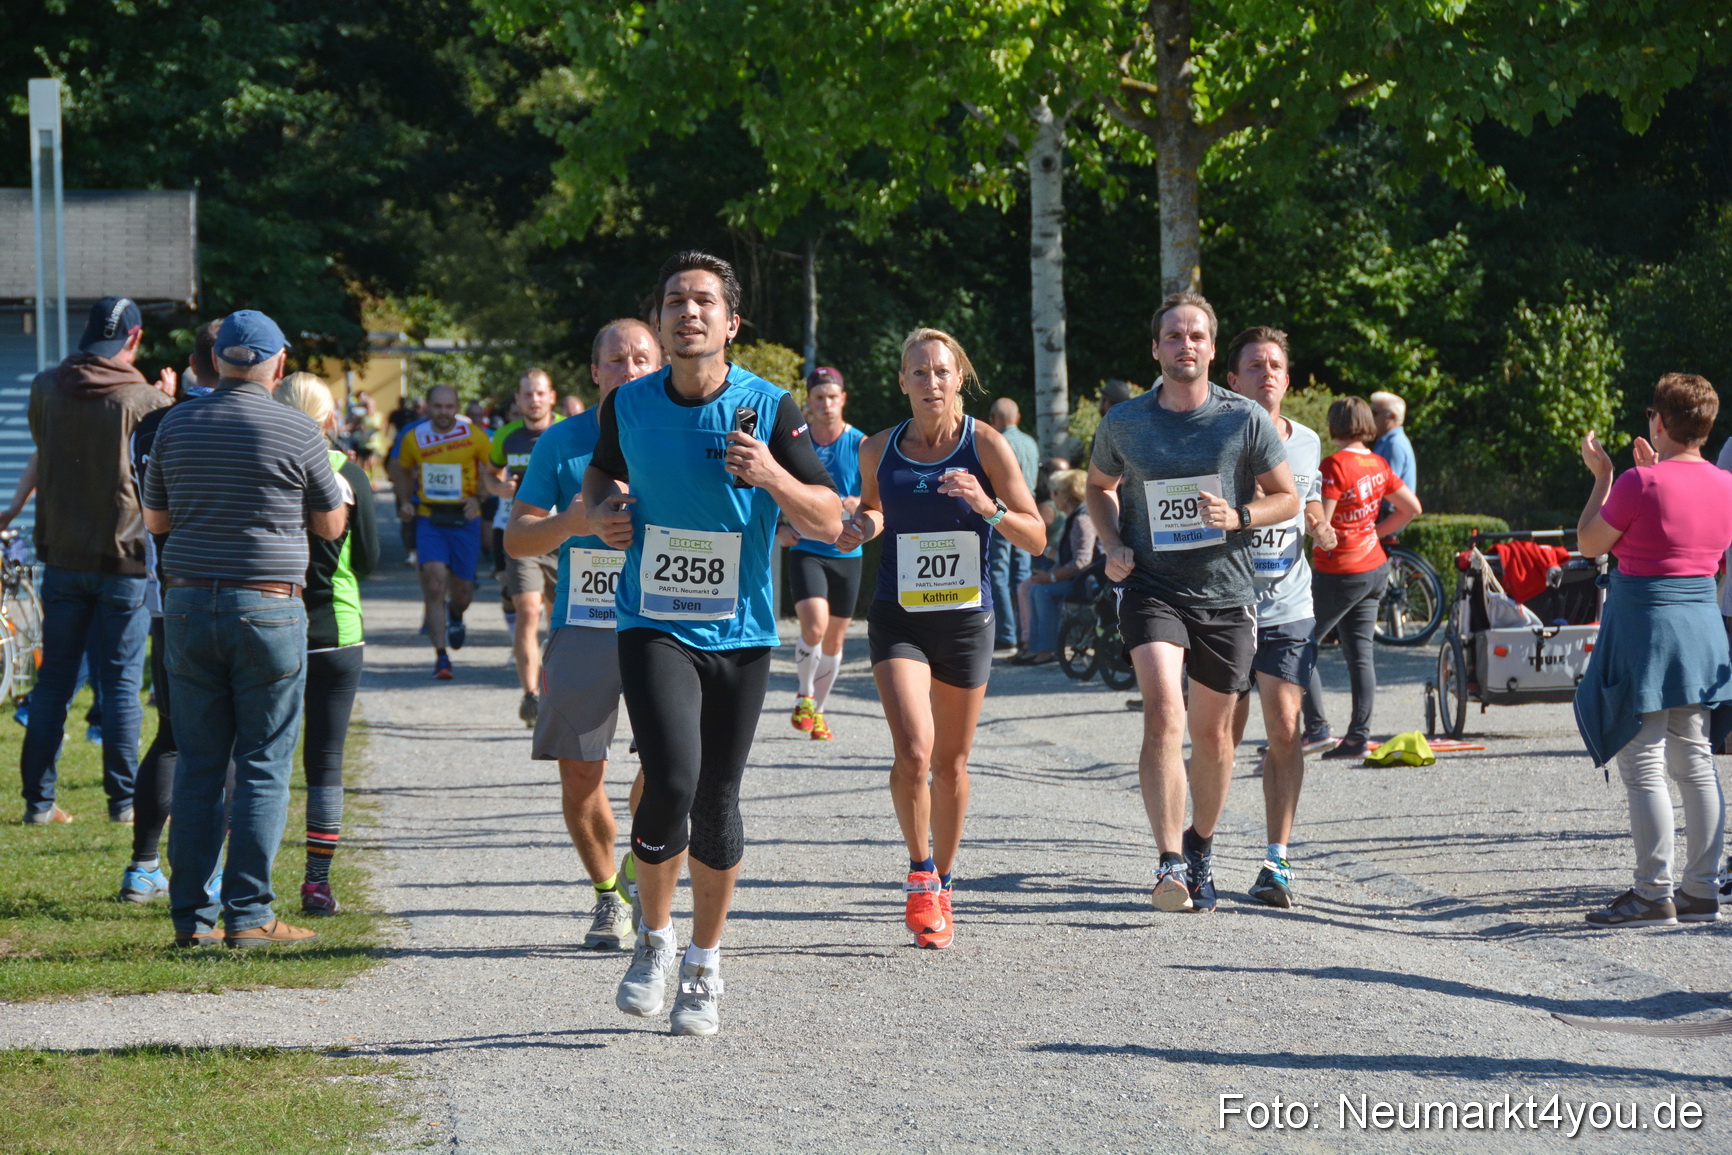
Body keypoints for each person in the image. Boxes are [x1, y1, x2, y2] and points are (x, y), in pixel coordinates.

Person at [584, 250, 840, 1036]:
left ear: (732, 324)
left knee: (719, 799)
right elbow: (600, 479)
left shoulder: (771, 409)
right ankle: (654, 942)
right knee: (671, 777)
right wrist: (601, 514)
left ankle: (704, 960)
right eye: (674, 302)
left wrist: (772, 475)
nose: (687, 312)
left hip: (742, 631)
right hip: (652, 619)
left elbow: (829, 520)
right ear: (659, 323)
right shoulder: (626, 404)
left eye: (703, 302)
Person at [1085, 290, 1297, 913]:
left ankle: (1199, 844)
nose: (1185, 346)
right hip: (1152, 586)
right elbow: (1100, 487)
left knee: (1213, 737)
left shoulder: (1243, 419)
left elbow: (1285, 496)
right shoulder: (1125, 422)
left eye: (1196, 337)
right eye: (1173, 337)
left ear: (1210, 348)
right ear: (1156, 349)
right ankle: (1168, 861)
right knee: (1163, 714)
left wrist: (1240, 515)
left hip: (1226, 592)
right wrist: (1112, 538)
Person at [142, 309, 346, 949]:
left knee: (201, 762)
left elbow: (154, 520)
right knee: (262, 764)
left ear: (219, 360)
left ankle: (191, 918)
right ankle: (251, 913)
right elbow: (332, 526)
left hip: (187, 606)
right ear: (278, 364)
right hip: (268, 608)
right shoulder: (297, 429)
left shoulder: (175, 425)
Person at [836, 329, 1045, 948]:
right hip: (898, 616)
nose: (931, 383)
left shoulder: (987, 445)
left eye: (941, 373)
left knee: (952, 763)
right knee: (914, 750)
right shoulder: (877, 448)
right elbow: (874, 509)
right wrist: (860, 527)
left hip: (965, 620)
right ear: (901, 381)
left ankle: (947, 879)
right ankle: (921, 875)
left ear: (960, 379)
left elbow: (1035, 536)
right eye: (919, 374)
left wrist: (987, 505)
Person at [508, 319, 660, 950]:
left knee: (671, 766)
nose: (629, 371)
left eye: (641, 360)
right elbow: (518, 536)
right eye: (616, 361)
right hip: (587, 621)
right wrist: (572, 521)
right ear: (595, 372)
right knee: (579, 772)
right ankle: (607, 895)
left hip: (663, 619)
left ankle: (637, 870)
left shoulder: (680, 433)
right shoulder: (563, 444)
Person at [1574, 374, 1732, 927]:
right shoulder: (1726, 484)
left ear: (1659, 423)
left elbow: (1590, 542)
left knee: (1643, 759)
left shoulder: (1639, 483)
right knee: (1695, 759)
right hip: (1702, 624)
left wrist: (1606, 477)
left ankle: (1651, 892)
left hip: (1646, 625)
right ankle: (1701, 890)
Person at [20, 296, 173, 826]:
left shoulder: (44, 387)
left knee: (54, 682)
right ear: (132, 340)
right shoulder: (144, 399)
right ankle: (124, 803)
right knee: (122, 683)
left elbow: (43, 449)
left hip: (61, 554)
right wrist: (167, 401)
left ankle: (38, 804)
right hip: (124, 557)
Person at [1222, 327, 1332, 908]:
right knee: (1222, 734)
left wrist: (1318, 521)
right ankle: (1200, 851)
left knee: (1286, 728)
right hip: (1225, 603)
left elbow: (1306, 494)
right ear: (1233, 379)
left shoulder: (1308, 441)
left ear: (1288, 380)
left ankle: (1276, 860)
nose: (1268, 373)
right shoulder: (1216, 436)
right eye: (1256, 365)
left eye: (1277, 366)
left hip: (1288, 604)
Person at [119, 319, 222, 901]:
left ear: (191, 360)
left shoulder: (153, 425)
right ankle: (206, 876)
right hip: (237, 591)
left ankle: (142, 865)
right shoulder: (245, 418)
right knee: (228, 739)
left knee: (174, 736)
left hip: (166, 596)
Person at [277, 373, 378, 916]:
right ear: (331, 420)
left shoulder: (261, 465)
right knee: (325, 763)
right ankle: (316, 883)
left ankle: (245, 880)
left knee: (262, 756)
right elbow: (370, 559)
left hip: (272, 622)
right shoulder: (348, 473)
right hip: (336, 629)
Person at [1301, 397, 1423, 761]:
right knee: (1360, 654)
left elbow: (1321, 523)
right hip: (1374, 566)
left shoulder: (1335, 465)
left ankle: (1317, 728)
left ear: (1333, 424)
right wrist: (1375, 531)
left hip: (1340, 570)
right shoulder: (1378, 462)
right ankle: (1357, 738)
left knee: (1299, 644)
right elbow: (1411, 508)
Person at [780, 366, 866, 741]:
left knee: (834, 639)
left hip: (847, 551)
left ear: (843, 400)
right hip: (807, 548)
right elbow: (769, 490)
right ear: (809, 403)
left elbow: (878, 497)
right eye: (819, 398)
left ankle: (819, 711)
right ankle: (803, 694)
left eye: (832, 397)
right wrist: (778, 529)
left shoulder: (862, 444)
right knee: (813, 624)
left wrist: (859, 503)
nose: (826, 404)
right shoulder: (796, 442)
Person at [396, 384, 494, 679]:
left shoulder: (473, 436)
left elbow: (493, 471)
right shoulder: (415, 438)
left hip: (464, 520)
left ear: (457, 407)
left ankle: (456, 614)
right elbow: (399, 468)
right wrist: (404, 501)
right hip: (430, 517)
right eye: (438, 406)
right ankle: (441, 657)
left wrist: (479, 498)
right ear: (427, 407)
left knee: (462, 593)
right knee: (435, 583)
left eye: (449, 406)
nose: (444, 412)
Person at [489, 369, 562, 724]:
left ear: (551, 397)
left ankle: (556, 689)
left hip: (563, 535)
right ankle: (531, 695)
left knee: (558, 617)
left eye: (539, 393)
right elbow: (489, 473)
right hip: (521, 534)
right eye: (527, 394)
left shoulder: (567, 429)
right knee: (528, 611)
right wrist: (498, 488)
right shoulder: (505, 436)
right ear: (518, 401)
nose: (533, 400)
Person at [1012, 469, 1098, 666]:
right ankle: (1034, 647)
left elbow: (1082, 561)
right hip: (1079, 578)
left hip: (1086, 581)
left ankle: (1046, 649)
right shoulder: (1075, 517)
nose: (1052, 497)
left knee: (1042, 591)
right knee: (1034, 587)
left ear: (1065, 496)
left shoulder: (1082, 519)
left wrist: (1051, 577)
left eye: (1055, 493)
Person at [986, 398, 1039, 650]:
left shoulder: (998, 443)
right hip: (1030, 515)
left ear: (993, 420)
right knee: (1023, 574)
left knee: (999, 572)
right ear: (1017, 418)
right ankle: (1026, 632)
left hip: (1003, 514)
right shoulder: (1030, 442)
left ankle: (1007, 634)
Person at [1369, 391, 1416, 492]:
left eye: (1374, 413)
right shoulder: (1385, 441)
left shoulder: (1394, 444)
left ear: (1392, 417)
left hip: (1388, 508)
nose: (1369, 417)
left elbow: (1387, 488)